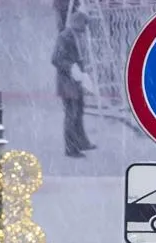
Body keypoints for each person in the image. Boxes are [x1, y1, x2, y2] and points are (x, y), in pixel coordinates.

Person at [52, 11, 94, 157]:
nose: (86, 27)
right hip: (67, 83)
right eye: (84, 24)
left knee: (79, 112)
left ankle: (82, 142)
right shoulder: (65, 37)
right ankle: (71, 149)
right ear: (77, 23)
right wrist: (72, 67)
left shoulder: (77, 35)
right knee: (71, 115)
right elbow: (56, 59)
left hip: (76, 81)